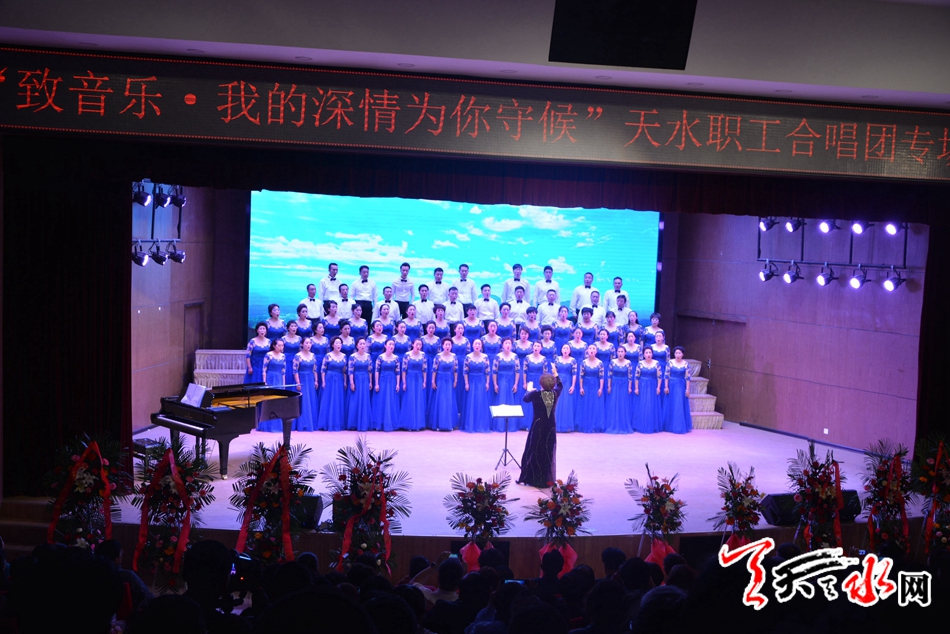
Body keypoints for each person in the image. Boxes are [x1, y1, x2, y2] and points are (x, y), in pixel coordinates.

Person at [517, 371, 562, 487]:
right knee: (547, 450)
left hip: (538, 425)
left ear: (541, 384)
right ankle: (545, 479)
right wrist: (556, 374)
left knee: (534, 450)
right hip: (550, 426)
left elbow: (525, 399)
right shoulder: (555, 393)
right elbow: (560, 386)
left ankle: (531, 478)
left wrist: (529, 390)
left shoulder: (536, 394)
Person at [317, 336, 347, 431]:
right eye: (337, 343)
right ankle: (326, 423)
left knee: (338, 400)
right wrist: (323, 381)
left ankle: (337, 423)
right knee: (328, 400)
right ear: (333, 345)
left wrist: (345, 381)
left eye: (340, 343)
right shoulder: (328, 356)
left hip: (339, 379)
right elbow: (323, 370)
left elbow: (344, 371)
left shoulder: (344, 356)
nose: (339, 345)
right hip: (329, 379)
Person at [462, 338, 492, 432]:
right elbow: (465, 371)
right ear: (472, 345)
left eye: (479, 344)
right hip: (471, 381)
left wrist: (487, 382)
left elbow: (488, 371)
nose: (477, 345)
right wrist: (466, 383)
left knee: (480, 402)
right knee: (471, 402)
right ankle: (470, 424)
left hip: (481, 381)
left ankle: (480, 425)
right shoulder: (468, 357)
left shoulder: (485, 357)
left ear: (481, 346)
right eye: (476, 344)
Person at [429, 338, 459, 431]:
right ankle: (439, 423)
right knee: (440, 400)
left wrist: (455, 380)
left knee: (449, 400)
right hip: (440, 380)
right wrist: (433, 381)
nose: (447, 346)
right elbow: (434, 370)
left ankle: (449, 423)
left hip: (449, 380)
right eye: (446, 344)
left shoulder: (454, 356)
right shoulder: (438, 356)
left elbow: (455, 370)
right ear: (442, 345)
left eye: (449, 345)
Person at [398, 338, 427, 431]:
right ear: (413, 344)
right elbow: (403, 370)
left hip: (419, 378)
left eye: (420, 345)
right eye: (417, 344)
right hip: (409, 378)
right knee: (410, 399)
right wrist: (404, 382)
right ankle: (408, 423)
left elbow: (424, 369)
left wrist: (424, 381)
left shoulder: (423, 355)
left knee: (418, 400)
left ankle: (418, 423)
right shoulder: (407, 355)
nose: (418, 346)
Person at [491, 338, 521, 432]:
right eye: (506, 343)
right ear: (502, 345)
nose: (508, 345)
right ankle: (500, 425)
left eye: (509, 343)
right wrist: (495, 384)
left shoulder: (515, 356)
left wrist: (516, 384)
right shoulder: (498, 357)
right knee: (501, 400)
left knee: (511, 401)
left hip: (511, 380)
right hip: (501, 381)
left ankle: (510, 426)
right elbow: (494, 371)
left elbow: (517, 371)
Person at [373, 338, 401, 431]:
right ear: (385, 345)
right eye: (390, 344)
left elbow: (398, 372)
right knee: (382, 400)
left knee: (391, 400)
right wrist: (377, 383)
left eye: (393, 344)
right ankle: (380, 423)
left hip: (392, 380)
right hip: (382, 380)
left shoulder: (396, 358)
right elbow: (377, 371)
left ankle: (391, 422)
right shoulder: (380, 357)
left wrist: (398, 384)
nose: (391, 346)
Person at [663, 346, 693, 434]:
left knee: (679, 405)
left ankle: (679, 426)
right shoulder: (670, 363)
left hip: (681, 386)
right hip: (671, 385)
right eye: (676, 353)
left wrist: (687, 389)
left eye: (679, 353)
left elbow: (688, 378)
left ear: (682, 354)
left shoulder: (686, 364)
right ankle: (669, 425)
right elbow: (666, 376)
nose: (677, 355)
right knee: (671, 404)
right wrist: (666, 387)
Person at [605, 345, 634, 434]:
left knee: (623, 404)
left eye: (622, 352)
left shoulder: (628, 363)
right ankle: (613, 424)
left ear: (625, 353)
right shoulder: (612, 362)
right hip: (614, 385)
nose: (620, 353)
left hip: (624, 385)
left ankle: (623, 425)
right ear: (616, 353)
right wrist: (609, 386)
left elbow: (630, 376)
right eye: (619, 351)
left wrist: (629, 387)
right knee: (614, 403)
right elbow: (609, 375)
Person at [577, 344, 606, 433]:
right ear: (587, 351)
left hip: (596, 385)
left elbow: (601, 376)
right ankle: (585, 425)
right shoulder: (584, 362)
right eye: (590, 348)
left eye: (593, 349)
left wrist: (601, 388)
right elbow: (581, 376)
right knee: (586, 404)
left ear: (596, 351)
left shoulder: (600, 363)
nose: (592, 350)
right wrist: (581, 387)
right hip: (586, 385)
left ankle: (595, 425)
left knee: (596, 405)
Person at [293, 335, 319, 431]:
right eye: (306, 343)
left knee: (311, 400)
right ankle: (301, 423)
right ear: (302, 344)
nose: (308, 345)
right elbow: (295, 370)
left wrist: (316, 380)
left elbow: (314, 369)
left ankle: (310, 423)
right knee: (303, 401)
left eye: (310, 343)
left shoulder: (313, 355)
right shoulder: (298, 356)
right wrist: (298, 382)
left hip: (310, 379)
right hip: (302, 380)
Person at [347, 338, 373, 431]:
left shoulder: (368, 356)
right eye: (360, 344)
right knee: (355, 400)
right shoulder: (352, 357)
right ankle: (353, 423)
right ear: (357, 345)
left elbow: (370, 370)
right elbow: (350, 371)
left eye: (364, 344)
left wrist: (370, 382)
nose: (362, 345)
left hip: (365, 379)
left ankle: (364, 423)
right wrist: (352, 382)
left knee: (365, 400)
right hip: (356, 379)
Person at [634, 346, 662, 433]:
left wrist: (658, 387)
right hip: (642, 386)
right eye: (646, 353)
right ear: (643, 354)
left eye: (650, 352)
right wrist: (636, 388)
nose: (648, 354)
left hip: (652, 386)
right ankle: (641, 425)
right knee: (642, 404)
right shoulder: (640, 364)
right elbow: (636, 377)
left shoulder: (656, 363)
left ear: (652, 354)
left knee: (651, 405)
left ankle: (652, 425)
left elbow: (659, 376)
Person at [261, 339, 287, 431]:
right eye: (279, 345)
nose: (281, 347)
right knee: (269, 400)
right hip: (270, 378)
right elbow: (264, 369)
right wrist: (264, 382)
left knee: (278, 401)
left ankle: (277, 425)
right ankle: (268, 425)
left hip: (279, 379)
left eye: (282, 345)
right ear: (274, 346)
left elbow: (283, 371)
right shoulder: (268, 355)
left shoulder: (283, 356)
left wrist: (284, 384)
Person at [512, 327, 534, 430]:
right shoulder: (515, 344)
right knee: (517, 394)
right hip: (516, 370)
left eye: (526, 334)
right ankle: (516, 421)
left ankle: (526, 421)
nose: (524, 335)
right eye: (522, 333)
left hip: (527, 370)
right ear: (519, 334)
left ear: (528, 335)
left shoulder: (531, 345)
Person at [554, 344, 578, 433]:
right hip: (558, 381)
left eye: (567, 348)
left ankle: (566, 425)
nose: (565, 350)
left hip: (567, 382)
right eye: (564, 348)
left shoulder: (573, 360)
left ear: (570, 351)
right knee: (557, 402)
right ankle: (555, 425)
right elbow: (554, 372)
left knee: (567, 403)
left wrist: (573, 385)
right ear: (561, 350)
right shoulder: (557, 359)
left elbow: (574, 374)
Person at [451, 322, 472, 416]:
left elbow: (468, 353)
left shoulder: (466, 341)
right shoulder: (451, 340)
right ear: (455, 329)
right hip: (453, 364)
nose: (460, 330)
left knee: (463, 384)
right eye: (458, 328)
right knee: (454, 384)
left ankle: (463, 408)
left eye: (462, 328)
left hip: (464, 363)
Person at [310, 321, 329, 399]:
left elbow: (328, 352)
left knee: (323, 381)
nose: (322, 329)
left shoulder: (326, 339)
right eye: (320, 328)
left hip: (324, 362)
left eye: (323, 327)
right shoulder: (311, 340)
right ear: (315, 330)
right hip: (315, 362)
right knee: (315, 380)